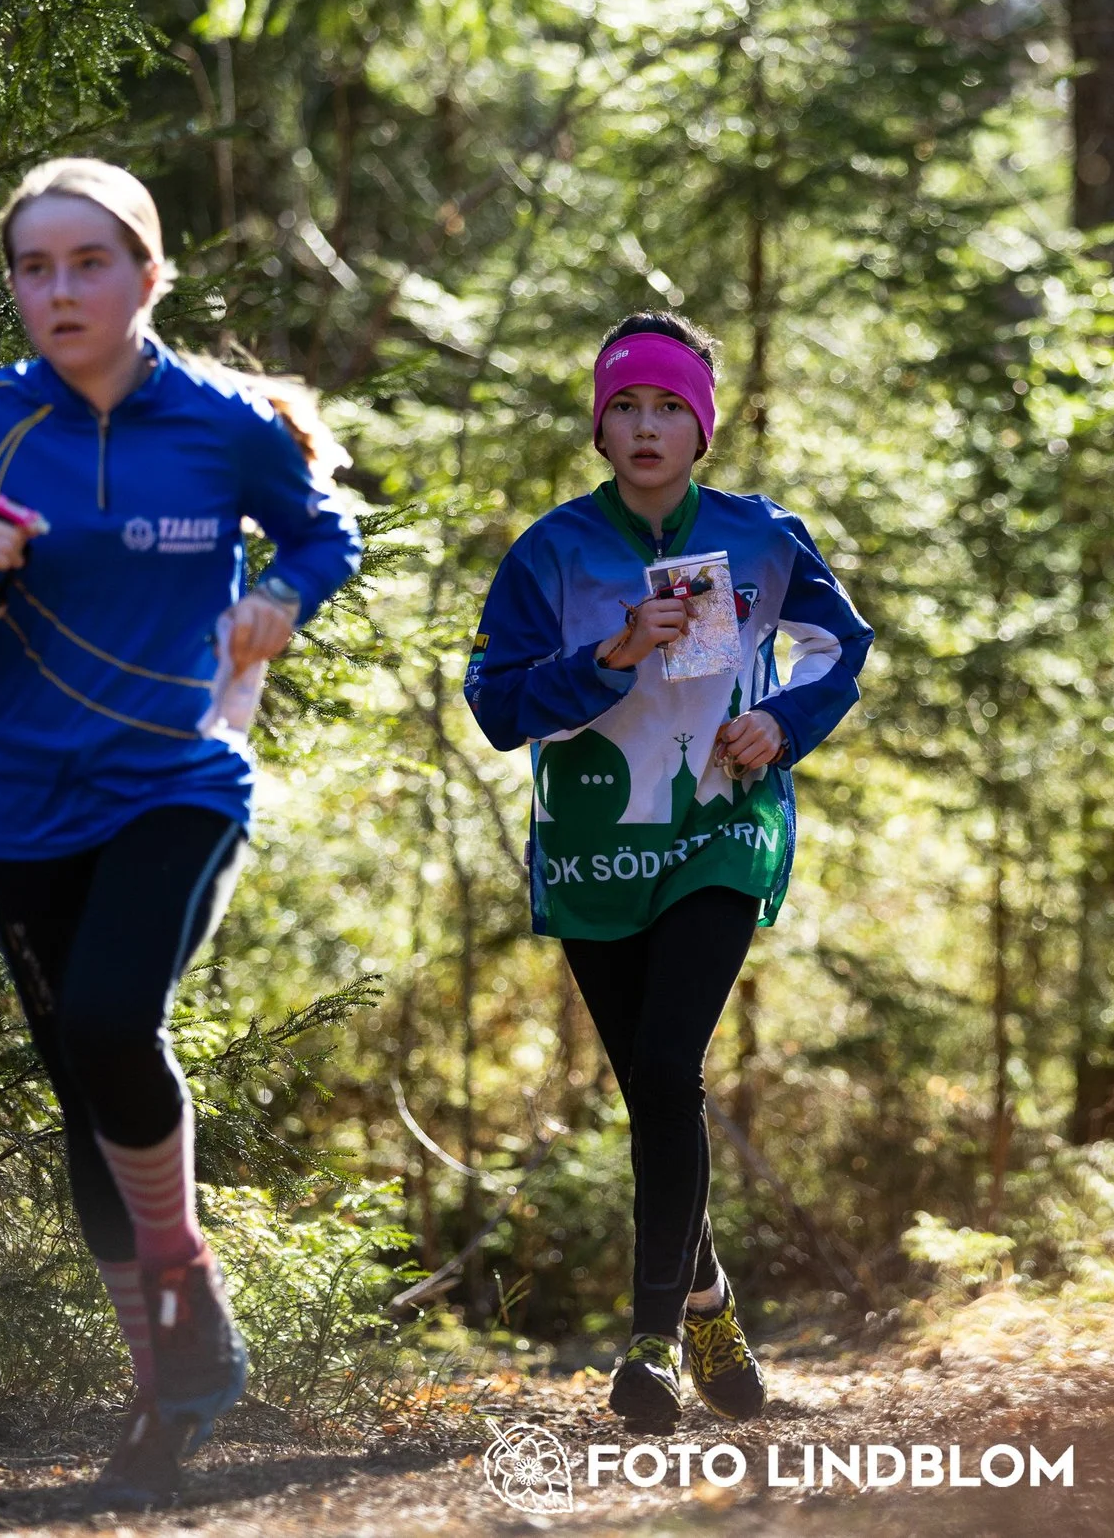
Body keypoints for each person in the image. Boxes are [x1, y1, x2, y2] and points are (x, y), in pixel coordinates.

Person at [0, 159, 362, 1503]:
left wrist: (282, 600)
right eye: (36, 267)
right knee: (83, 1094)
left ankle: (184, 1289)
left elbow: (324, 536)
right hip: (22, 804)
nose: (61, 289)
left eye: (89, 262)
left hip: (176, 779)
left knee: (108, 1022)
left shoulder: (215, 423)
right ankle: (169, 1389)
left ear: (149, 276)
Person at [464, 311, 873, 1432]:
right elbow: (496, 703)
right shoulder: (552, 550)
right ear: (599, 427)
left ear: (702, 427)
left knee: (664, 1059)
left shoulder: (763, 538)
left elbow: (844, 646)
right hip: (596, 846)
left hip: (719, 834)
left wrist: (782, 724)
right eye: (624, 407)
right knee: (650, 1085)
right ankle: (705, 1296)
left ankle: (646, 1342)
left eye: (667, 407)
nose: (645, 427)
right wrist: (610, 655)